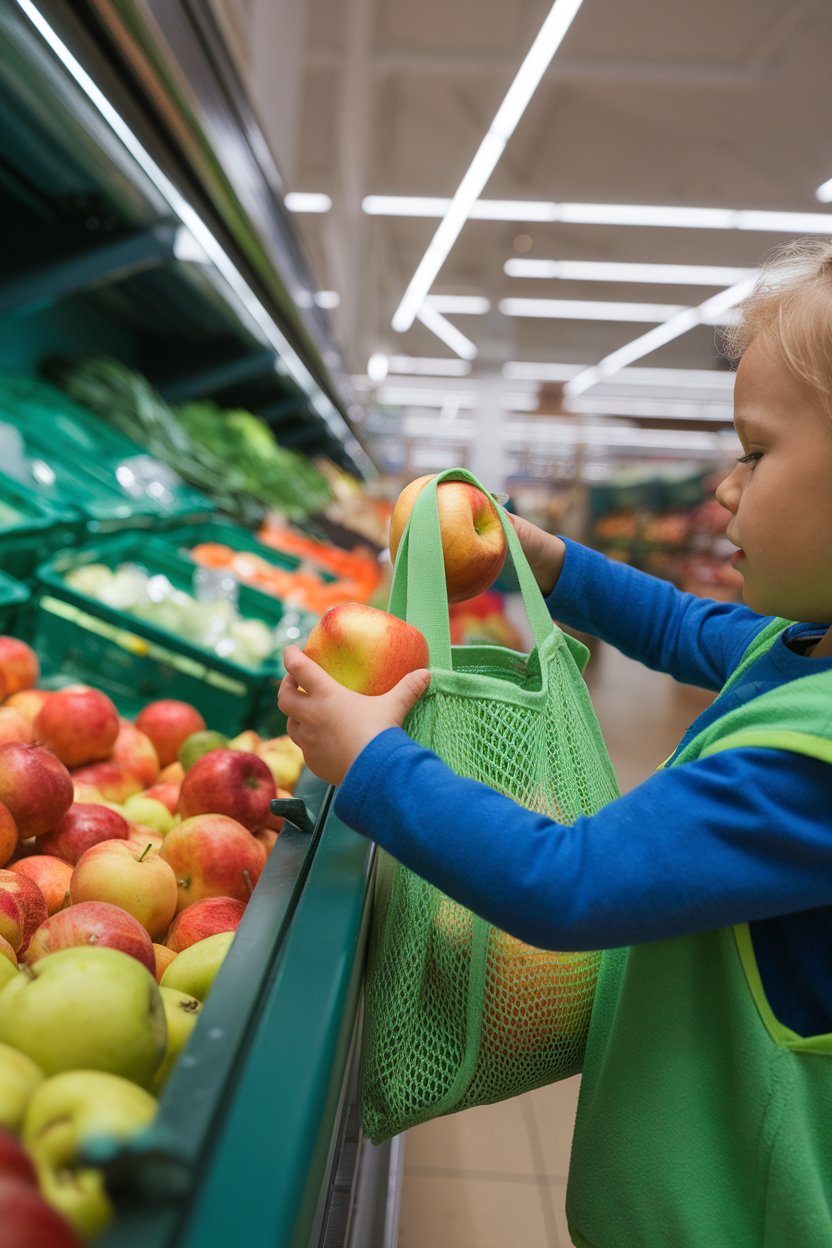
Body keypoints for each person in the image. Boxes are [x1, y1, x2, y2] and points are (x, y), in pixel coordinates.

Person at [278, 238, 832, 1248]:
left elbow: (567, 884)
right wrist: (547, 558)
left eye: (753, 451)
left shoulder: (814, 771)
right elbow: (683, 628)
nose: (722, 487)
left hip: (733, 1220)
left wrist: (369, 761)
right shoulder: (806, 652)